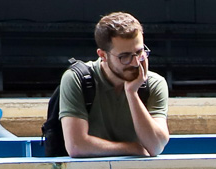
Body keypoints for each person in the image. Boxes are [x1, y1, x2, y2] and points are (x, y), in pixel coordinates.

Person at [59, 11, 169, 157]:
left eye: (139, 52)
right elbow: (76, 145)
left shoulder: (154, 84)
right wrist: (132, 149)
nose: (136, 62)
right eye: (125, 57)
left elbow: (156, 147)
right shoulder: (77, 79)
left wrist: (132, 93)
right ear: (103, 55)